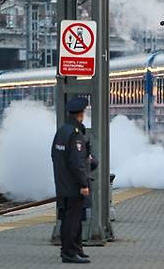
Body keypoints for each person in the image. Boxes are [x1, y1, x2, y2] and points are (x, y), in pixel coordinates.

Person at [51, 97, 94, 264]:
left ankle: (75, 249)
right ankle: (69, 252)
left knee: (69, 218)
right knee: (72, 220)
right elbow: (77, 163)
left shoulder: (62, 131)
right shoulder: (75, 134)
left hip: (62, 183)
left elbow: (55, 156)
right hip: (74, 185)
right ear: (81, 114)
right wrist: (83, 183)